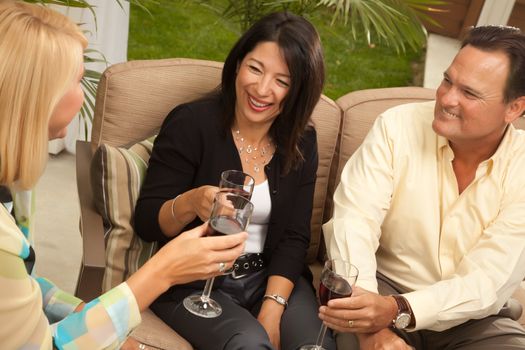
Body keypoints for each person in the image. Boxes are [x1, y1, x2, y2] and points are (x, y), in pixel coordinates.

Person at [0, 2, 247, 349]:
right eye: (76, 79)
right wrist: (163, 270)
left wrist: (87, 316)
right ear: (37, 99)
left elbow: (20, 285)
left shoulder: (12, 189)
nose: (82, 91)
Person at [134, 11, 333, 350]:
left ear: (298, 90)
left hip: (270, 279)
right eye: (255, 68)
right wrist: (190, 201)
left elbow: (295, 237)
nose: (261, 88)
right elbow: (147, 223)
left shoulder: (302, 142)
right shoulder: (191, 123)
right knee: (250, 345)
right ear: (238, 64)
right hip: (195, 282)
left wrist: (272, 309)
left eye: (282, 81)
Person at [321, 25, 525, 350]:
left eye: (469, 93)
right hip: (379, 289)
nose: (446, 98)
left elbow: (487, 280)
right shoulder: (396, 127)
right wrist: (368, 321)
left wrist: (397, 310)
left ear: (514, 108)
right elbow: (353, 224)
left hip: (474, 317)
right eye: (447, 80)